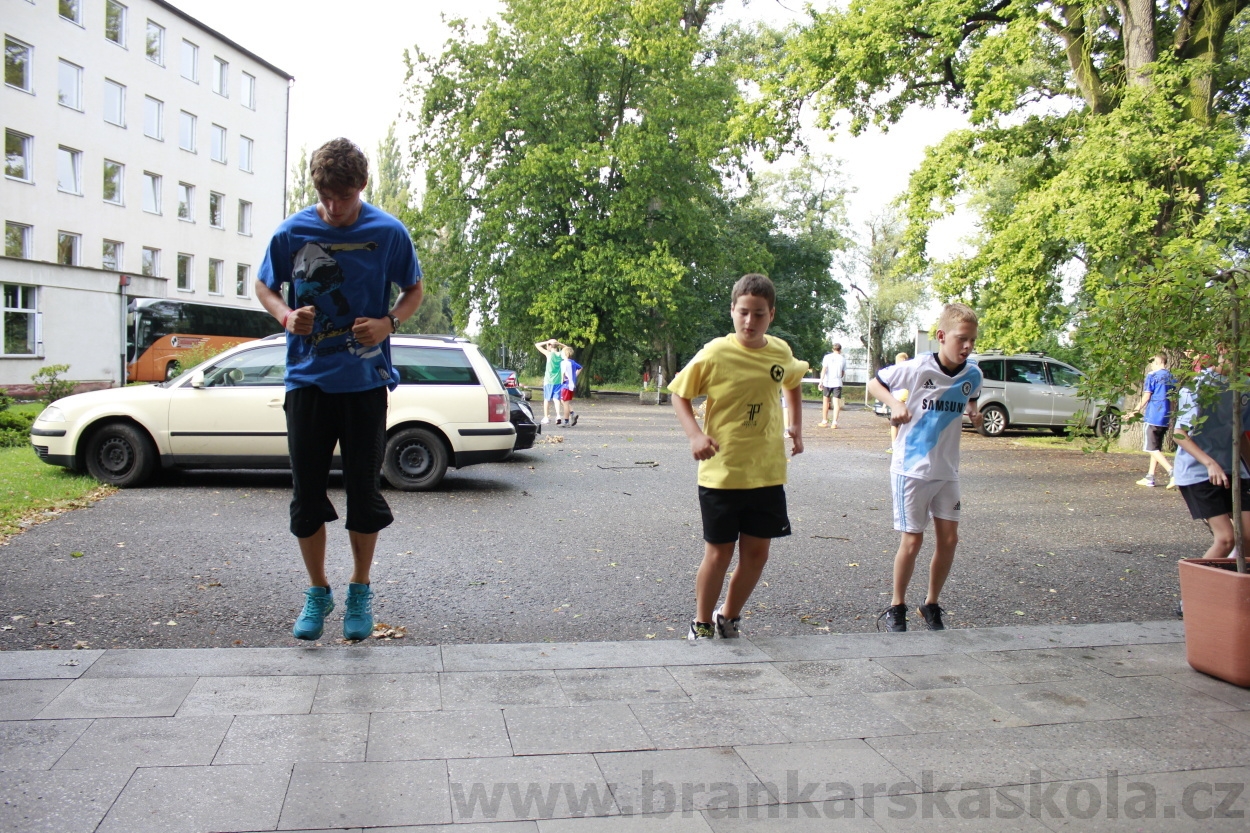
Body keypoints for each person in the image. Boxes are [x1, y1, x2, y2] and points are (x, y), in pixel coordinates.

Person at [255, 137, 423, 642]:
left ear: (361, 188)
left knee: (364, 494)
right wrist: (285, 315)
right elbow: (263, 284)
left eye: (343, 197)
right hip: (307, 382)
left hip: (365, 384)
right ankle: (317, 590)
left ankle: (359, 589)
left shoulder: (389, 232)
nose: (334, 207)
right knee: (306, 497)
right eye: (325, 196)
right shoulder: (292, 232)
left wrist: (389, 323)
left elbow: (414, 289)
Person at [670, 273, 809, 640]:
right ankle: (701, 622)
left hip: (766, 472)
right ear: (732, 311)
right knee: (719, 553)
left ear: (771, 315)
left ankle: (728, 615)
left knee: (757, 555)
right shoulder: (715, 352)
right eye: (743, 312)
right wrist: (695, 435)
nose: (750, 321)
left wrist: (796, 425)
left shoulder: (779, 351)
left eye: (759, 314)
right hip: (722, 473)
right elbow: (679, 394)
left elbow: (793, 381)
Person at [867, 303, 982, 632]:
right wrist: (895, 404)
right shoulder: (918, 368)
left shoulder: (972, 373)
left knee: (949, 540)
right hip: (911, 469)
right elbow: (875, 383)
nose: (967, 346)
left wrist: (973, 412)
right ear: (942, 336)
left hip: (947, 471)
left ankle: (930, 604)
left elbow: (971, 395)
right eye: (962, 339)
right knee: (912, 541)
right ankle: (896, 606)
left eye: (972, 340)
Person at [1171, 358, 1250, 560]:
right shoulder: (1197, 386)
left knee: (1248, 537)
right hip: (1198, 471)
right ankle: (1199, 590)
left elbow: (1240, 434)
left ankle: (1229, 587)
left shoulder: (1245, 387)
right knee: (1226, 539)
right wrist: (1209, 463)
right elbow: (1179, 434)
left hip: (1233, 469)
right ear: (1222, 349)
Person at [1129, 353, 1176, 488]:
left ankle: (1171, 472)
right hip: (1165, 416)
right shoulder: (1172, 377)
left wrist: (1136, 410)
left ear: (1157, 362)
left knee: (1150, 448)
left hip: (1154, 415)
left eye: (1152, 363)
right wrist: (1171, 414)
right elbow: (1172, 399)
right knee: (1156, 448)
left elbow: (1147, 396)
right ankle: (1150, 476)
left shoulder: (1152, 376)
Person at [535, 338, 569, 425]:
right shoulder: (561, 354)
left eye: (547, 345)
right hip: (558, 380)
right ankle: (558, 416)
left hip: (548, 380)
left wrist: (547, 342)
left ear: (550, 346)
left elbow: (537, 345)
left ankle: (546, 417)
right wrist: (558, 343)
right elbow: (567, 348)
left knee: (547, 399)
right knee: (556, 399)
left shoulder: (549, 354)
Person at [817, 342, 846, 428]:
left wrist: (821, 381)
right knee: (836, 403)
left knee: (825, 401)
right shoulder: (843, 359)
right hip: (837, 382)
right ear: (840, 350)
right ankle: (834, 423)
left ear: (832, 349)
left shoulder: (827, 357)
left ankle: (824, 421)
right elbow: (842, 373)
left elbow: (824, 369)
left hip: (827, 382)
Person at [888, 351, 910, 450]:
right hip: (904, 401)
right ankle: (899, 445)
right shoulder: (910, 371)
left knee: (895, 425)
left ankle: (895, 446)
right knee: (901, 425)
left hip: (899, 402)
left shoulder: (894, 371)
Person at [559, 346, 582, 427]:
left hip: (566, 385)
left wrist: (561, 382)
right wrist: (574, 376)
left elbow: (562, 374)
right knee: (563, 401)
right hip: (572, 385)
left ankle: (566, 421)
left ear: (565, 354)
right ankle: (572, 413)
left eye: (561, 352)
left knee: (565, 403)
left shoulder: (563, 363)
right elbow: (580, 368)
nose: (560, 354)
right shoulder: (572, 362)